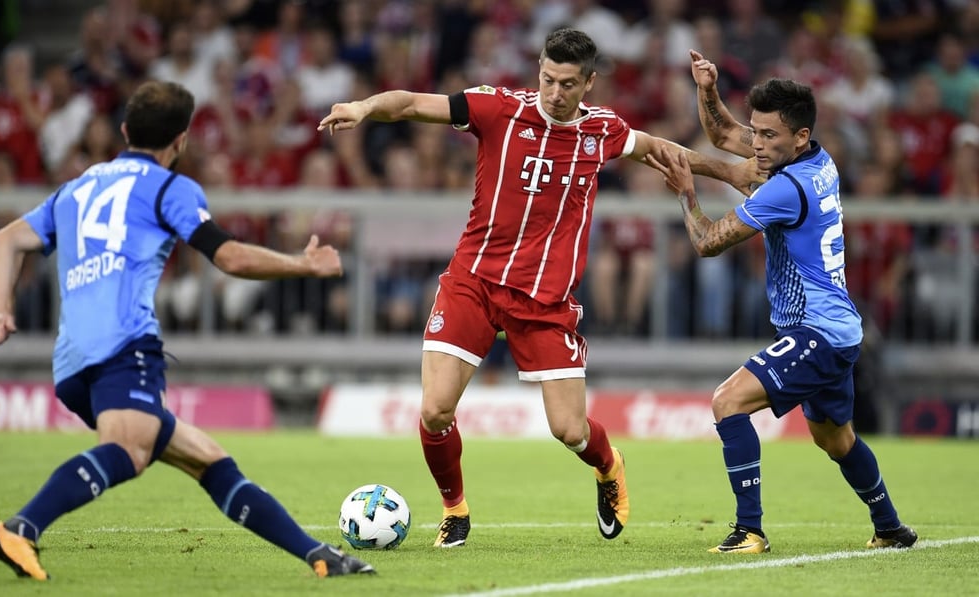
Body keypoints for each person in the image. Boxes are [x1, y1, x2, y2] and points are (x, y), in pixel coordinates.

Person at [317, 28, 761, 548]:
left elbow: (660, 150)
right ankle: (455, 510)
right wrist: (365, 107)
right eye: (548, 78)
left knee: (569, 430)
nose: (554, 92)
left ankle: (609, 464)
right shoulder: (496, 108)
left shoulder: (601, 131)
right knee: (436, 409)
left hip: (545, 301)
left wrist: (730, 171)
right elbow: (414, 103)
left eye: (568, 84)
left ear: (588, 83)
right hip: (474, 283)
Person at [0, 81, 374, 580]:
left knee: (210, 461)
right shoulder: (169, 188)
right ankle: (21, 528)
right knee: (128, 452)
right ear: (181, 141)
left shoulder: (76, 188)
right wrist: (303, 264)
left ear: (124, 131)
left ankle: (320, 558)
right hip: (124, 347)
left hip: (72, 361)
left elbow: (6, 239)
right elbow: (229, 256)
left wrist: (0, 310)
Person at [648, 49, 917, 554]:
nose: (757, 143)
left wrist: (687, 191)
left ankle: (749, 530)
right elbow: (729, 142)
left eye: (768, 136)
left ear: (797, 136)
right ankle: (890, 527)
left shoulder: (786, 189)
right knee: (836, 441)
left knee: (727, 403)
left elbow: (707, 242)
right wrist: (707, 90)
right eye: (757, 131)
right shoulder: (818, 162)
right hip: (838, 328)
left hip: (816, 331)